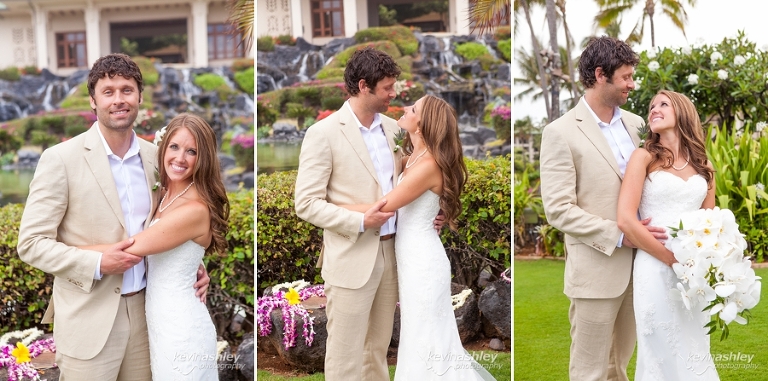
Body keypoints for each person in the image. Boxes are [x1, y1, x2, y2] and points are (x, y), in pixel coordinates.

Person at [17, 53, 209, 380]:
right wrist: (97, 263)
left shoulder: (158, 159)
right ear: (93, 100)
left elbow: (174, 221)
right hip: (88, 320)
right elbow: (31, 244)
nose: (118, 100)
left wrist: (192, 265)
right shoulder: (60, 159)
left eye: (126, 90)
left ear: (140, 97)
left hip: (149, 316)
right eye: (108, 92)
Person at [294, 47, 442, 380]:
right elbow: (306, 203)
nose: (394, 94)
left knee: (377, 350)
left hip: (393, 252)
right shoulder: (323, 133)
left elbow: (416, 178)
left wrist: (436, 209)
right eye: (388, 88)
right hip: (350, 258)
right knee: (345, 355)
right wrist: (360, 220)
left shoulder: (396, 131)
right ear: (364, 86)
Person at [338, 94, 496, 379]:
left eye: (413, 109)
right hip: (412, 259)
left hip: (423, 263)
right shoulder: (414, 158)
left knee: (426, 336)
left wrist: (332, 205)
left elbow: (385, 206)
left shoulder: (427, 166)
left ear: (422, 125)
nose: (405, 108)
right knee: (418, 334)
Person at [540, 36, 666, 381]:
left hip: (643, 269)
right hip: (596, 270)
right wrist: (622, 236)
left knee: (620, 367)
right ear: (600, 74)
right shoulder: (559, 132)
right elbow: (559, 209)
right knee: (589, 372)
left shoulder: (639, 125)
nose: (632, 84)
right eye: (626, 76)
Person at [617, 90, 718, 380]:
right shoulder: (644, 157)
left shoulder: (705, 167)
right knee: (659, 349)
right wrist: (673, 260)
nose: (654, 110)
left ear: (682, 112)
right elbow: (626, 219)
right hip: (654, 267)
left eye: (663, 104)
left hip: (693, 274)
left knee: (696, 347)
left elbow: (709, 225)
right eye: (651, 107)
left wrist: (710, 264)